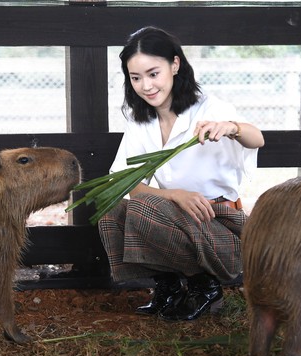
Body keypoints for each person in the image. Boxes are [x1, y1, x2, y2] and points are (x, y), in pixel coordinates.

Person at [98, 26, 265, 321]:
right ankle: (169, 286)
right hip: (174, 217)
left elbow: (257, 138)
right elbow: (125, 182)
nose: (146, 86)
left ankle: (205, 287)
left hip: (219, 226)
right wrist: (174, 195)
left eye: (153, 73)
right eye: (135, 78)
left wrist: (232, 128)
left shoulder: (210, 108)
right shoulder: (141, 121)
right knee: (114, 210)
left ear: (175, 65)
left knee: (147, 207)